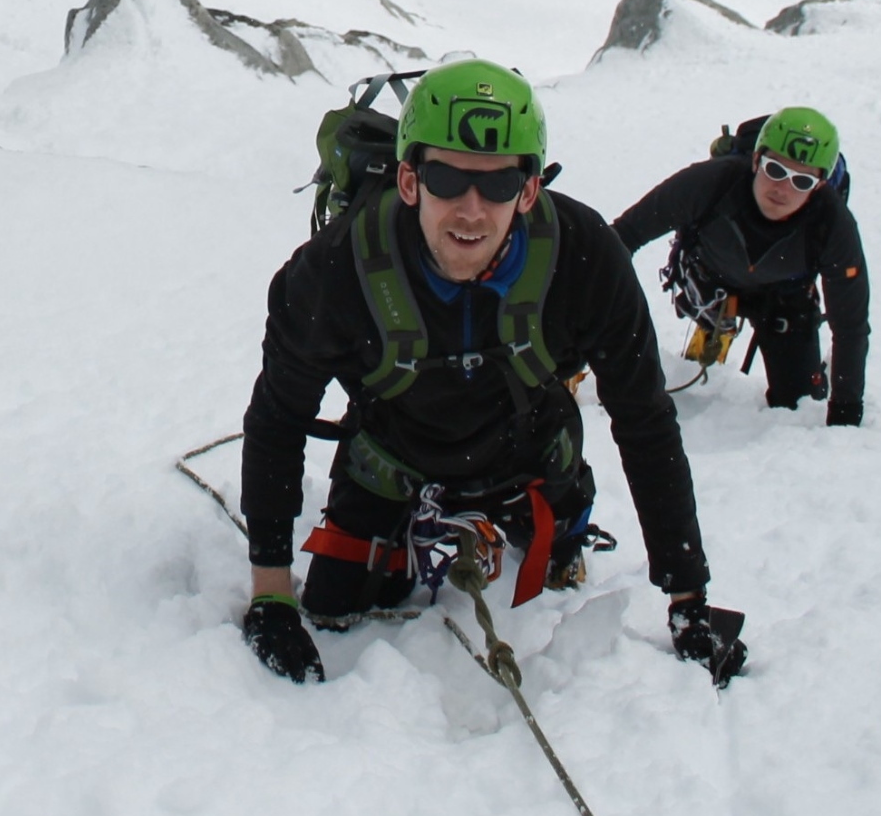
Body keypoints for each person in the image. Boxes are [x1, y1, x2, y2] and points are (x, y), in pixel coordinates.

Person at [236, 59, 739, 686]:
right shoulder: (335, 272)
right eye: (447, 179)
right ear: (410, 180)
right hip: (395, 459)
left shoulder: (584, 257)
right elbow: (278, 418)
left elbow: (645, 420)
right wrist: (272, 594)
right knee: (336, 603)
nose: (472, 211)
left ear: (529, 191)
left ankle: (557, 529)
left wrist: (689, 599)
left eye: (498, 184)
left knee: (552, 549)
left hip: (528, 459)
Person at [612, 107, 867, 426]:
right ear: (757, 160)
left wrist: (845, 411)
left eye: (802, 181)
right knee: (710, 295)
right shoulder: (712, 181)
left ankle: (813, 371)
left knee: (795, 404)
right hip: (709, 279)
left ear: (819, 186)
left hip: (784, 302)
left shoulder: (833, 225)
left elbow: (850, 325)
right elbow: (621, 237)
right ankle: (716, 321)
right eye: (775, 170)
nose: (783, 189)